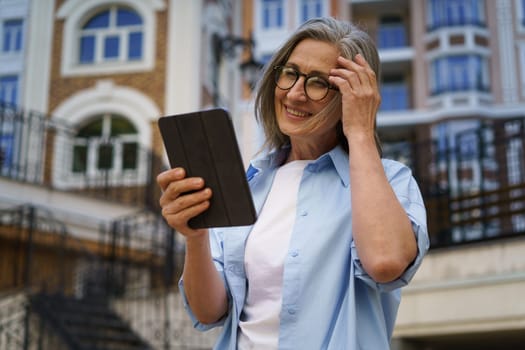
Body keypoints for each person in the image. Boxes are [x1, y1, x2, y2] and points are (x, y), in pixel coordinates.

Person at [157, 17, 429, 350]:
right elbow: (209, 311)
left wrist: (359, 130)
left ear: (351, 95)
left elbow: (385, 263)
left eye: (318, 83)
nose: (296, 94)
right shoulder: (250, 186)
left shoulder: (390, 181)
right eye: (290, 74)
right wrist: (196, 236)